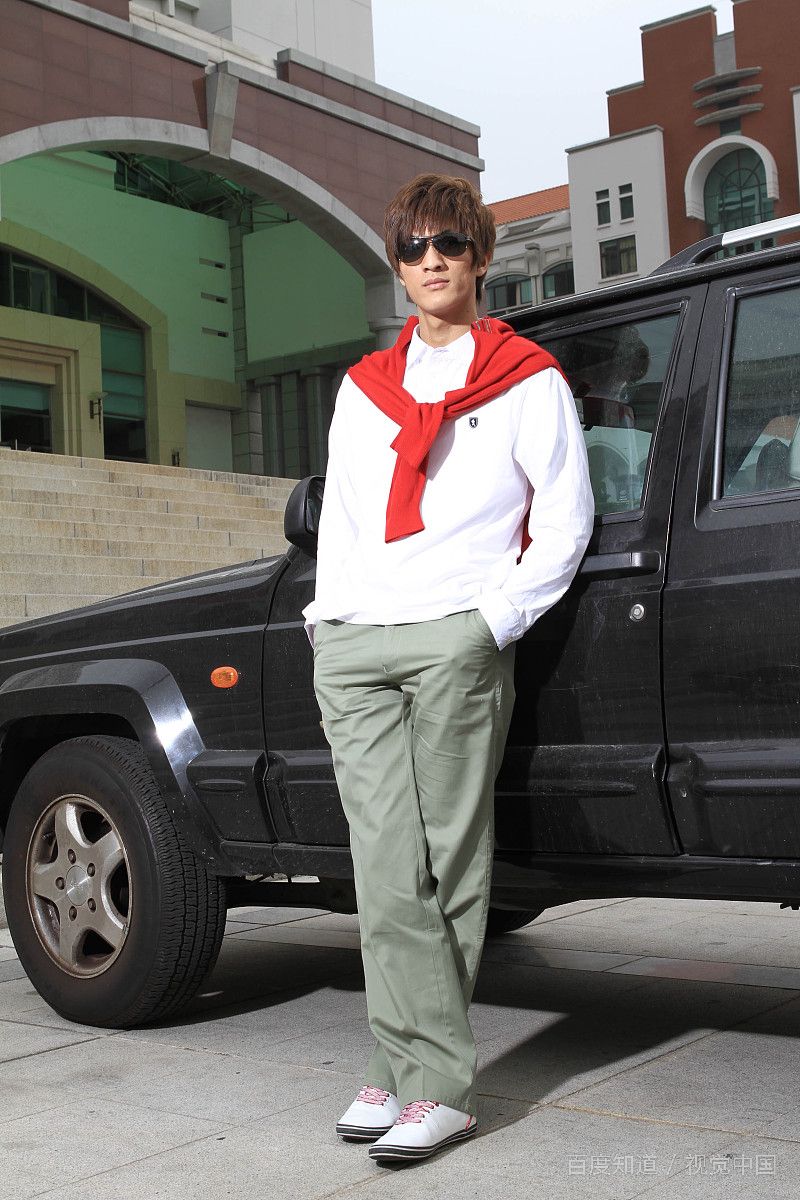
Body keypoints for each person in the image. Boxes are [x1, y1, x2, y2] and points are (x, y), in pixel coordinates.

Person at [303, 173, 594, 1163]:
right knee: (384, 866)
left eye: (450, 245)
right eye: (414, 247)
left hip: (453, 638)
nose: (432, 261)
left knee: (447, 862)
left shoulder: (526, 380)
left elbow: (563, 520)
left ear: (480, 257)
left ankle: (430, 1085)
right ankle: (400, 1066)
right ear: (397, 266)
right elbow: (344, 520)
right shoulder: (362, 389)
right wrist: (324, 622)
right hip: (356, 642)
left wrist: (491, 622)